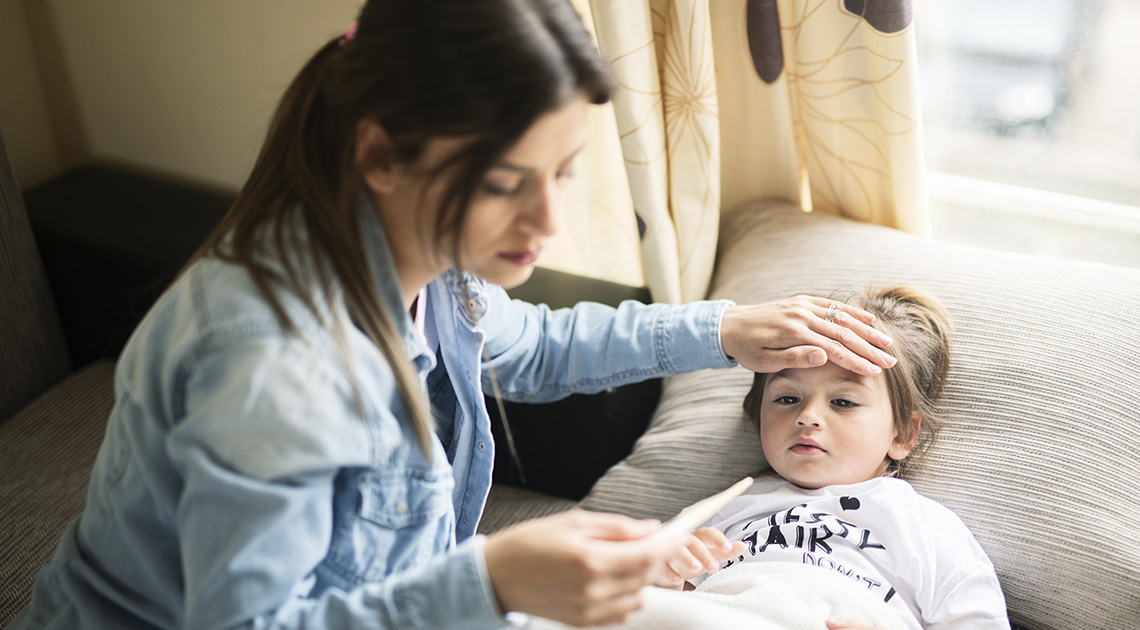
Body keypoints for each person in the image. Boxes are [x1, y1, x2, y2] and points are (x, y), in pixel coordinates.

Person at [6, 2, 898, 629]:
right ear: (383, 155)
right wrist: (490, 578)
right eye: (508, 184)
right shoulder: (271, 363)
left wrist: (720, 330)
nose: (545, 225)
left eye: (562, 175)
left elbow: (537, 347)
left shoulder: (431, 270)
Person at [657, 287, 1010, 629]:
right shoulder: (725, 509)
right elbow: (649, 598)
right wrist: (668, 580)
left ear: (902, 434)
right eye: (786, 398)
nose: (807, 416)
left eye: (843, 402)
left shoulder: (929, 530)